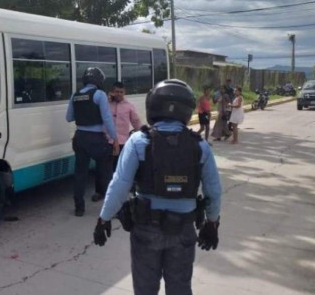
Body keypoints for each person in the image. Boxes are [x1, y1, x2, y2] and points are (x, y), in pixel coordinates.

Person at [93, 79, 222, 295]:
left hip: (146, 229)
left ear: (152, 106)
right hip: (183, 230)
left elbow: (119, 185)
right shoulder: (200, 146)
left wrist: (103, 219)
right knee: (180, 288)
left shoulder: (138, 141)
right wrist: (212, 223)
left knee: (145, 290)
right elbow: (214, 190)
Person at [66, 67, 120, 216]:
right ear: (99, 80)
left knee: (80, 174)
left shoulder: (75, 95)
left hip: (79, 138)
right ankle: (112, 208)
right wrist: (114, 139)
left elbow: (69, 117)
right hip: (96, 139)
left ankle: (79, 208)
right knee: (106, 172)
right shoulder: (100, 95)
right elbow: (107, 119)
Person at [91, 81, 142, 202]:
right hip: (106, 141)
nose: (119, 94)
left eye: (121, 92)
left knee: (120, 168)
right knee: (102, 168)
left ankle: (120, 191)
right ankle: (100, 192)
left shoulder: (129, 106)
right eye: (116, 91)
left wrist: (143, 132)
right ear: (112, 92)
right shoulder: (105, 104)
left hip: (122, 142)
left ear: (125, 93)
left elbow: (135, 121)